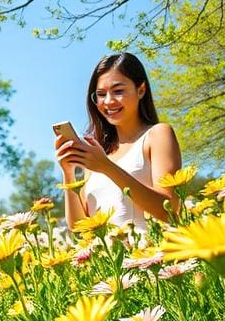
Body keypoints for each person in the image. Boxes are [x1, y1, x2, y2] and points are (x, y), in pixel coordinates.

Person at [55, 53, 182, 232]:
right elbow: (79, 227)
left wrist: (106, 167)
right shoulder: (96, 155)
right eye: (100, 94)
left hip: (152, 255)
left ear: (141, 90)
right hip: (111, 259)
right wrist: (68, 173)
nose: (108, 101)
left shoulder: (157, 135)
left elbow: (170, 210)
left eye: (118, 91)